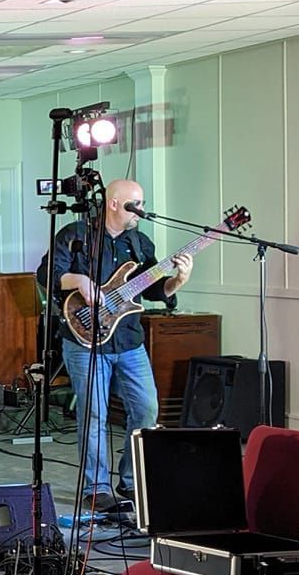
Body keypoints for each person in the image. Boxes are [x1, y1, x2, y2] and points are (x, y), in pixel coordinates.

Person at [39, 179, 192, 512]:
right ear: (113, 203)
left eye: (142, 202)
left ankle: (132, 481)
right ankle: (96, 488)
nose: (140, 209)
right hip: (84, 339)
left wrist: (176, 280)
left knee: (147, 409)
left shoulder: (140, 244)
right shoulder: (76, 235)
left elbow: (152, 290)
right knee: (94, 414)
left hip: (128, 340)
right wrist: (78, 279)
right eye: (135, 203)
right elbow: (47, 274)